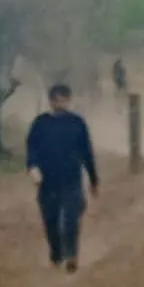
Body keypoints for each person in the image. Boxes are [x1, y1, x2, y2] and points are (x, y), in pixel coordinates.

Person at [26, 83, 99, 273]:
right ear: (50, 102)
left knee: (71, 218)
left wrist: (93, 179)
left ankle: (72, 255)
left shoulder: (77, 123)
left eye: (64, 101)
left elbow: (87, 152)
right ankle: (56, 255)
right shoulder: (40, 124)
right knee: (50, 220)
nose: (61, 105)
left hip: (71, 178)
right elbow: (31, 149)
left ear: (69, 101)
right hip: (47, 181)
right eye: (57, 101)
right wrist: (32, 167)